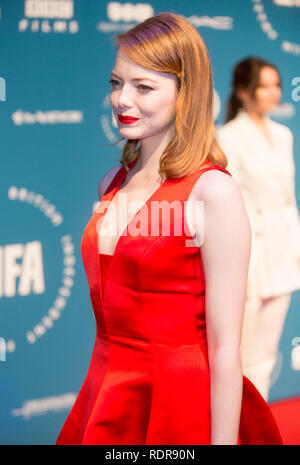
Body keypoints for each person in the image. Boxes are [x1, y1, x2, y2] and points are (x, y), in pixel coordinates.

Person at [56, 14, 283, 445]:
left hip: (180, 403)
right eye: (116, 82)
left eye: (144, 87)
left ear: (186, 93)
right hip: (106, 389)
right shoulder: (110, 182)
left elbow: (223, 350)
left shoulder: (212, 190)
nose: (122, 99)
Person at [216, 57, 300, 401]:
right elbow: (226, 202)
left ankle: (257, 428)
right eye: (264, 86)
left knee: (266, 352)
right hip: (247, 257)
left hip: (282, 254)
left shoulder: (284, 134)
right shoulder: (227, 136)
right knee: (241, 354)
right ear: (243, 91)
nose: (273, 93)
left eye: (276, 85)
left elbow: (288, 199)